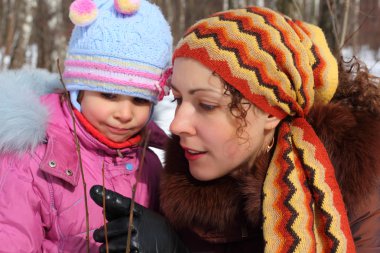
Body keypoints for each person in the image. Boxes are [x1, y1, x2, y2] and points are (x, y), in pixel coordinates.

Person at [90, 5, 380, 253]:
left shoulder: (353, 191)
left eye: (206, 105)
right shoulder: (182, 184)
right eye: (178, 99)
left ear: (270, 111)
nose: (177, 125)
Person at [0, 0, 172, 252]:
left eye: (139, 99)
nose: (125, 114)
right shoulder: (29, 160)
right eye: (109, 95)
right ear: (77, 91)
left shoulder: (150, 164)